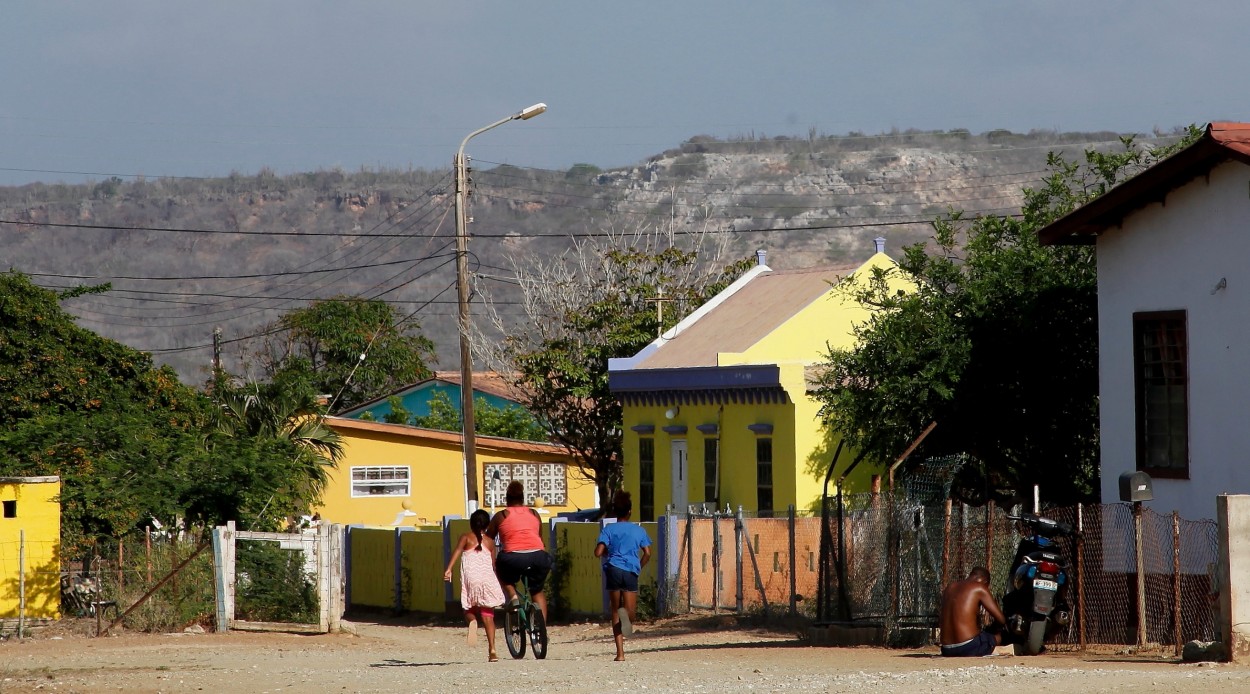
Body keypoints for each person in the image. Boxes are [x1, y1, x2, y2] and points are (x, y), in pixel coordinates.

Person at [594, 490, 652, 661]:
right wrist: (638, 566)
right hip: (630, 571)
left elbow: (598, 552)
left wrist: (607, 553)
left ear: (615, 512)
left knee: (614, 610)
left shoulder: (609, 529)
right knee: (630, 613)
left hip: (612, 569)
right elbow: (648, 553)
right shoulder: (638, 530)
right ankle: (626, 616)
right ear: (629, 511)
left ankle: (620, 654)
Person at [444, 509, 506, 662]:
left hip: (471, 578)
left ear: (471, 523)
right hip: (486, 578)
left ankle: (472, 621)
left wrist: (448, 569)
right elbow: (492, 564)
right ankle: (492, 650)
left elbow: (457, 552)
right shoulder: (490, 542)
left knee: (468, 608)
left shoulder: (465, 537)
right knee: (488, 615)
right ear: (487, 524)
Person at [486, 481, 552, 621]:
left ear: (507, 499)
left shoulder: (501, 516)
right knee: (537, 591)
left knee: (501, 572)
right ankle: (542, 631)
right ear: (523, 498)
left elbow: (488, 538)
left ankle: (513, 596)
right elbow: (540, 537)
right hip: (539, 557)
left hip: (512, 558)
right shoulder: (534, 513)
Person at [938, 566, 1008, 657]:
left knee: (985, 635)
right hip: (968, 647)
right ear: (985, 582)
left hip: (946, 649)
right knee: (1001, 636)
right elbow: (1001, 620)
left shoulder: (950, 588)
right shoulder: (980, 587)